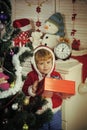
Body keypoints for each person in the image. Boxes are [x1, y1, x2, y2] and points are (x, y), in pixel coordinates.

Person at [22, 45, 64, 130]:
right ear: (35, 64)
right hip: (38, 112)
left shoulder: (56, 75)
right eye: (41, 63)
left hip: (54, 111)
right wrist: (32, 89)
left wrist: (63, 89)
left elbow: (61, 93)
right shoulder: (31, 76)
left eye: (48, 62)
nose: (45, 66)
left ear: (53, 62)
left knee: (56, 127)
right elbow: (25, 89)